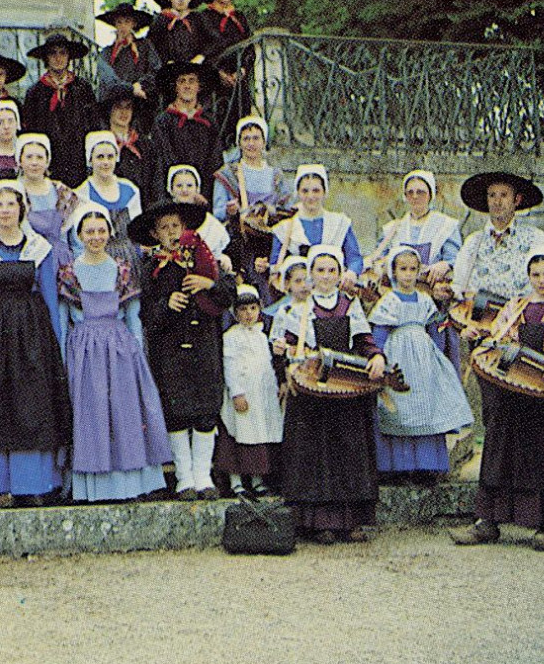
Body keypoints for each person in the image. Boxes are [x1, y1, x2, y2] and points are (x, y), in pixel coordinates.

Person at [451, 245, 544, 552]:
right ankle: (488, 522)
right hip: (512, 389)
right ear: (528, 276)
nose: (541, 280)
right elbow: (497, 339)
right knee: (501, 451)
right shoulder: (516, 306)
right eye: (535, 274)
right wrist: (477, 336)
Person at [0, 180, 71, 506]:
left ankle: (31, 483)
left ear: (21, 209)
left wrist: (55, 341)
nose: (5, 210)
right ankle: (0, 486)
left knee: (31, 403)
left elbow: (50, 297)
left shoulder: (39, 247)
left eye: (11, 204)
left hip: (32, 330)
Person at [58, 204, 172, 503]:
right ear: (79, 234)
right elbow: (64, 318)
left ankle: (128, 484)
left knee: (124, 411)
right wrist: (63, 355)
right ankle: (93, 485)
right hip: (84, 347)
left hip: (119, 346)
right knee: (91, 412)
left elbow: (133, 314)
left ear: (109, 233)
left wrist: (137, 351)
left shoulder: (121, 267)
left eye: (101, 230)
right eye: (89, 231)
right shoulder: (70, 271)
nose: (96, 237)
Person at [274, 244, 385, 543]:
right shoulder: (297, 310)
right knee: (314, 453)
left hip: (346, 390)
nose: (325, 276)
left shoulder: (350, 306)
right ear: (310, 274)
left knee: (348, 451)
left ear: (339, 274)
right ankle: (318, 522)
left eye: (331, 270)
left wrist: (376, 357)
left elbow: (364, 340)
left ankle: (350, 522)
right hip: (312, 392)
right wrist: (283, 352)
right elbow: (286, 347)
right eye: (320, 270)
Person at [131, 199, 235, 500]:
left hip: (204, 344)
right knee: (176, 411)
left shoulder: (204, 258)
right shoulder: (152, 268)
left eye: (176, 225)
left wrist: (208, 284)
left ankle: (203, 475)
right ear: (155, 234)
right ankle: (184, 476)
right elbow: (146, 315)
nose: (172, 232)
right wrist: (167, 305)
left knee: (205, 409)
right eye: (165, 228)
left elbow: (228, 295)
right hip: (170, 349)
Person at [369, 246, 474, 485]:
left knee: (427, 406)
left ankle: (427, 466)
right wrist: (380, 357)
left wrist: (436, 353)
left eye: (413, 269)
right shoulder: (389, 301)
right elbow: (380, 331)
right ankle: (398, 467)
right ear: (393, 272)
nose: (408, 275)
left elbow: (433, 328)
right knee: (400, 407)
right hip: (399, 357)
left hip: (424, 360)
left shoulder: (425, 299)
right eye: (402, 269)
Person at [367, 168, 463, 365]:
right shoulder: (393, 227)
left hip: (432, 303)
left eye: (421, 192)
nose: (415, 196)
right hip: (400, 305)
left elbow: (457, 260)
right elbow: (379, 259)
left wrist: (444, 264)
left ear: (430, 195)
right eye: (410, 192)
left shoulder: (445, 225)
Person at [211, 115, 290, 301]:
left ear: (264, 142)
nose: (251, 144)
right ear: (239, 142)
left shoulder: (276, 176)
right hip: (240, 242)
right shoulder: (229, 174)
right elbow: (218, 211)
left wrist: (269, 213)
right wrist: (231, 211)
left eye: (256, 138)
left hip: (269, 242)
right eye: (246, 138)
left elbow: (287, 209)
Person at [217, 283, 284, 499]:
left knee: (259, 435)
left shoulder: (263, 336)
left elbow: (268, 364)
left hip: (261, 395)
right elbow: (230, 365)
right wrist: (237, 392)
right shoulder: (231, 336)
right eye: (243, 310)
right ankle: (236, 481)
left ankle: (257, 479)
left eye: (253, 309)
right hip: (243, 393)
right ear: (235, 312)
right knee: (238, 435)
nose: (248, 314)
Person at [451, 171, 544, 302]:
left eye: (504, 195)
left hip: (520, 317)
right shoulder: (473, 241)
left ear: (517, 200)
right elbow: (458, 285)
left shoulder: (535, 238)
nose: (497, 202)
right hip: (479, 318)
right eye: (492, 195)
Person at [269, 164, 364, 291]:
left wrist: (351, 273)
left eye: (316, 190)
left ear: (324, 192)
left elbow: (354, 258)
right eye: (305, 191)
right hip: (299, 292)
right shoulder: (284, 228)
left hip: (334, 288)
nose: (310, 196)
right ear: (298, 192)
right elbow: (276, 265)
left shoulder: (339, 222)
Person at [21, 32, 96, 189]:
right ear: (46, 58)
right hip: (49, 161)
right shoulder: (35, 92)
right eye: (53, 53)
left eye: (63, 53)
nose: (58, 58)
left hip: (77, 159)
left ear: (69, 57)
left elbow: (92, 123)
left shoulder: (82, 87)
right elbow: (30, 129)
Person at [190, 0, 254, 139]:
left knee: (242, 120)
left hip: (239, 79)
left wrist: (242, 70)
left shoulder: (239, 17)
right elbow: (203, 49)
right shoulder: (204, 17)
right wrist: (219, 72)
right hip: (215, 82)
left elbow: (249, 48)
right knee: (218, 122)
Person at [148, 57, 222, 204]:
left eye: (192, 80)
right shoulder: (164, 121)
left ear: (199, 86)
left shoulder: (209, 122)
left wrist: (202, 193)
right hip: (174, 194)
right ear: (175, 87)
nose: (187, 86)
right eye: (182, 81)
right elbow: (163, 159)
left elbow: (215, 161)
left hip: (203, 196)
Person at [69, 130, 144, 273]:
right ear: (90, 160)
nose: (105, 162)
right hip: (97, 260)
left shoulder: (130, 190)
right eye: (100, 157)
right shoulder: (81, 194)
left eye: (110, 157)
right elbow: (77, 240)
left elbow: (138, 232)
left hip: (130, 259)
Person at [14, 132, 79, 271]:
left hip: (61, 260)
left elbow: (74, 236)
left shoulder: (62, 192)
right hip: (27, 260)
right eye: (29, 157)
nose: (34, 162)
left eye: (39, 157)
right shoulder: (13, 192)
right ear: (19, 160)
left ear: (47, 160)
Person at [166, 164, 235, 275]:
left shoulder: (209, 221)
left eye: (189, 186)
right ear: (171, 189)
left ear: (197, 189)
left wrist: (222, 257)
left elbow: (219, 249)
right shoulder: (162, 218)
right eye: (179, 186)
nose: (184, 190)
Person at [94, 3, 160, 113]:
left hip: (141, 103)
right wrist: (131, 89)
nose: (123, 26)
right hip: (116, 105)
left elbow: (156, 70)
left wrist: (140, 84)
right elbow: (108, 79)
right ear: (115, 24)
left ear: (133, 24)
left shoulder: (145, 46)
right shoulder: (106, 53)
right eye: (119, 22)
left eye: (127, 21)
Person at [96, 85, 153, 201]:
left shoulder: (144, 144)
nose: (124, 112)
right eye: (118, 107)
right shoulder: (101, 144)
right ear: (109, 110)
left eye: (128, 107)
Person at [145, 0, 206, 66]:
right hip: (169, 69)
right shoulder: (161, 21)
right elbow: (152, 46)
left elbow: (212, 41)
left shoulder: (197, 19)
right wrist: (165, 61)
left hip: (197, 67)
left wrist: (201, 56)